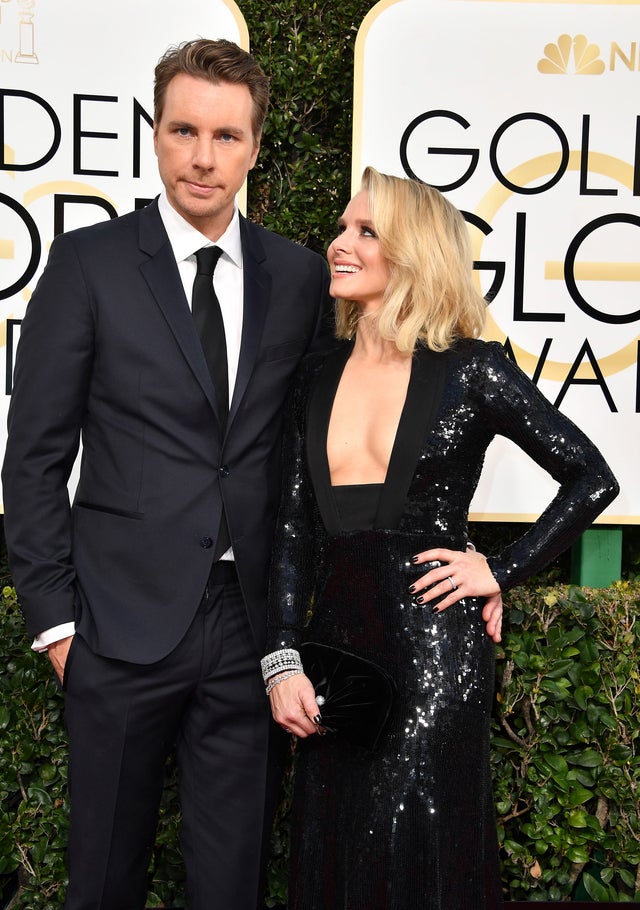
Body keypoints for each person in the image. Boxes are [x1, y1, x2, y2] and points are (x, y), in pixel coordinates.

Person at [2, 39, 331, 910]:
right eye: (184, 129)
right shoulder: (89, 265)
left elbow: (320, 452)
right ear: (156, 133)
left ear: (255, 147)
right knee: (104, 880)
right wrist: (57, 626)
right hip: (114, 625)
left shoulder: (298, 278)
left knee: (232, 886)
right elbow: (34, 454)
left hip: (247, 629)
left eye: (226, 136)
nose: (202, 156)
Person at [261, 167, 619, 910]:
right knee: (337, 841)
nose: (339, 243)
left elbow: (591, 475)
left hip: (432, 652)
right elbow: (293, 526)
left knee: (411, 838)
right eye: (343, 227)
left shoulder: (473, 370)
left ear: (414, 253)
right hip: (335, 655)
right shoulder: (314, 373)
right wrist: (281, 657)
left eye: (366, 231)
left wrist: (500, 569)